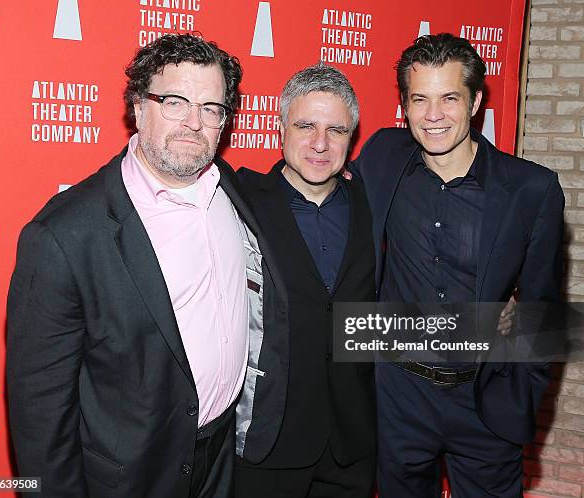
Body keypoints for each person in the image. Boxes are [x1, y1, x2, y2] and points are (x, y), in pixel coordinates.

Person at [6, 33, 288, 498]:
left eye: (211, 108)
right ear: (138, 107)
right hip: (127, 476)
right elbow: (38, 423)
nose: (194, 123)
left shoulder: (232, 193)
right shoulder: (63, 236)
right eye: (175, 102)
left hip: (220, 459)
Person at [352, 33, 564, 497]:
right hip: (399, 398)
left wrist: (521, 395)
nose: (433, 116)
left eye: (449, 98)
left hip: (486, 401)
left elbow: (543, 309)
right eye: (419, 99)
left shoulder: (530, 190)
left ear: (475, 103)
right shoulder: (382, 158)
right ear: (404, 105)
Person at [234, 64, 377, 498]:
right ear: (280, 129)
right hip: (270, 441)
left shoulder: (373, 199)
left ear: (352, 137)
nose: (320, 143)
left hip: (353, 441)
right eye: (306, 126)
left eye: (336, 129)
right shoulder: (238, 199)